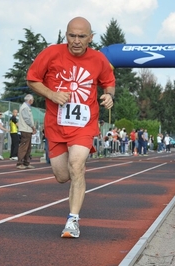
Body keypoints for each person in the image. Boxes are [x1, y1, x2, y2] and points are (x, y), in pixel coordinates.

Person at [26, 17, 115, 238]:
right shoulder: (51, 53)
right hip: (56, 124)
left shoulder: (98, 59)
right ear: (66, 35)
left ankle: (72, 221)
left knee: (77, 165)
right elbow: (32, 80)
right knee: (62, 176)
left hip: (84, 124)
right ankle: (76, 181)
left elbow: (109, 82)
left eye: (81, 36)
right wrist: (52, 94)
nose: (76, 41)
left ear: (90, 38)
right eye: (72, 35)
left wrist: (109, 96)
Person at [16, 94, 37, 169]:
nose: (33, 101)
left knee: (28, 147)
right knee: (24, 146)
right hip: (25, 129)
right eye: (32, 100)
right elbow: (27, 119)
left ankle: (26, 162)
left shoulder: (26, 107)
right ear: (30, 100)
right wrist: (33, 127)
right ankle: (19, 163)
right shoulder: (25, 107)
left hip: (27, 130)